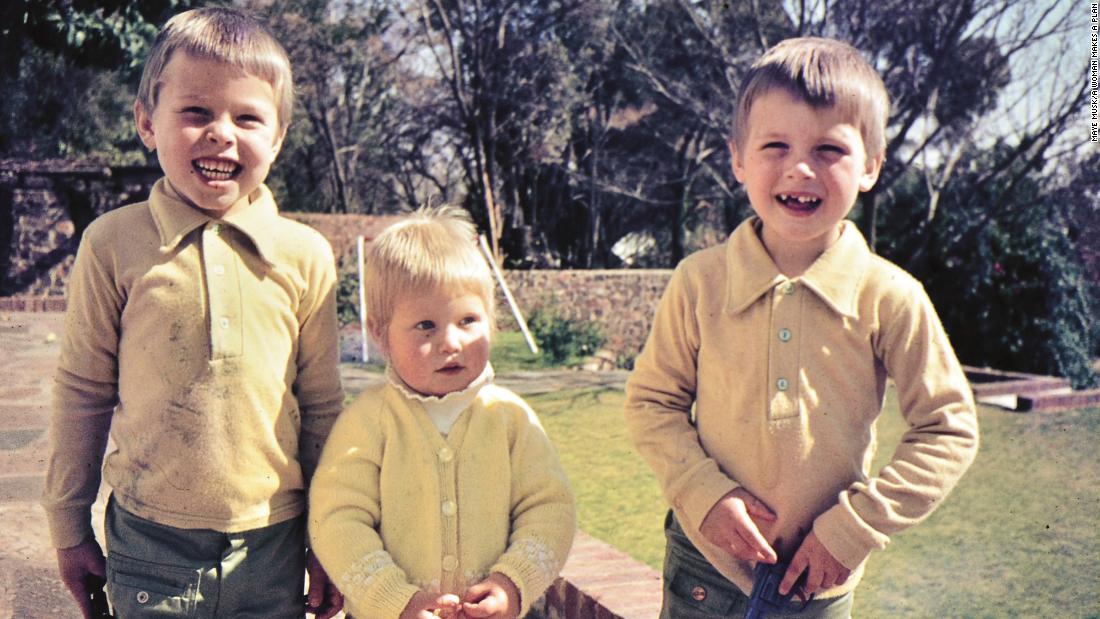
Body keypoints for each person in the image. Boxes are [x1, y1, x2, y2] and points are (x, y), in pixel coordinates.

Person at [624, 37, 979, 618]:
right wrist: (702, 494)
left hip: (819, 583)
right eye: (775, 145)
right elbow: (651, 404)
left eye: (829, 149)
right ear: (738, 157)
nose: (800, 168)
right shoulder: (699, 283)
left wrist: (853, 530)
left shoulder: (891, 297)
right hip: (702, 568)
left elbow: (948, 429)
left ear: (870, 166)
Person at [41, 7, 345, 618]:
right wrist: (67, 523)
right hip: (149, 541)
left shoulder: (305, 255)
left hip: (274, 543)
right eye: (196, 112)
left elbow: (321, 406)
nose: (221, 133)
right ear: (147, 122)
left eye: (248, 117)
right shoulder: (113, 243)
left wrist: (331, 535)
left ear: (278, 137)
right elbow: (83, 390)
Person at [308, 206, 576, 619]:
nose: (451, 342)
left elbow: (549, 509)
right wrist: (395, 600)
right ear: (380, 334)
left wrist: (512, 583)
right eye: (426, 326)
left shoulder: (511, 419)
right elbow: (337, 521)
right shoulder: (367, 422)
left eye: (468, 320)